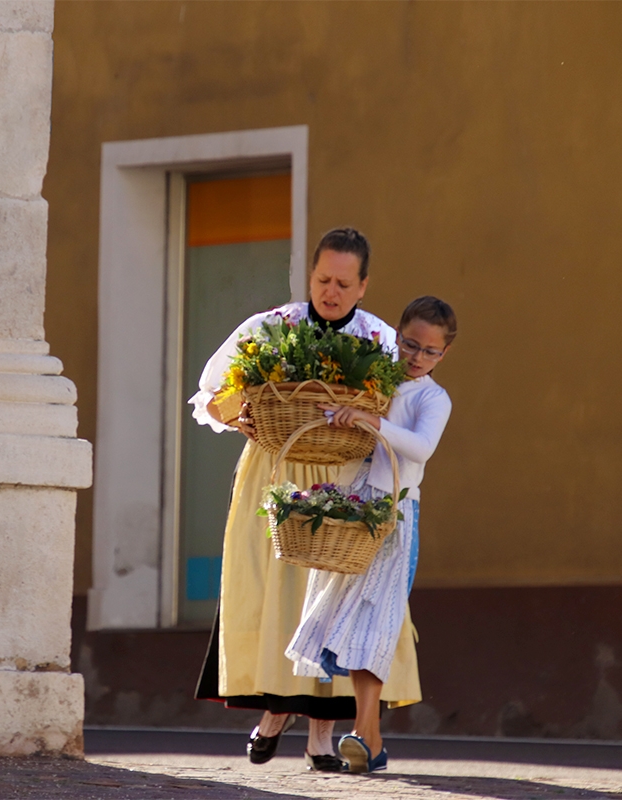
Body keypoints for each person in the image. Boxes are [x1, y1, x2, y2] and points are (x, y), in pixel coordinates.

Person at [191, 228, 421, 771]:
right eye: (323, 280)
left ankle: (321, 734)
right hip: (275, 470)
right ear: (309, 276)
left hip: (346, 474)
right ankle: (273, 712)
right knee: (275, 593)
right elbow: (212, 396)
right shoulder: (271, 329)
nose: (331, 292)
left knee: (333, 598)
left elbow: (403, 414)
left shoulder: (380, 341)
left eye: (344, 283)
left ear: (364, 286)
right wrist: (240, 409)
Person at [286, 295, 457, 774]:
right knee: (347, 620)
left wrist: (370, 420)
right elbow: (337, 423)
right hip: (352, 505)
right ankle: (369, 739)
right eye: (409, 344)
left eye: (430, 352)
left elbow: (421, 449)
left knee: (375, 620)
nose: (416, 357)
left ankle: (367, 733)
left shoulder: (433, 398)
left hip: (394, 512)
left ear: (444, 355)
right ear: (396, 335)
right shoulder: (374, 379)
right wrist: (340, 412)